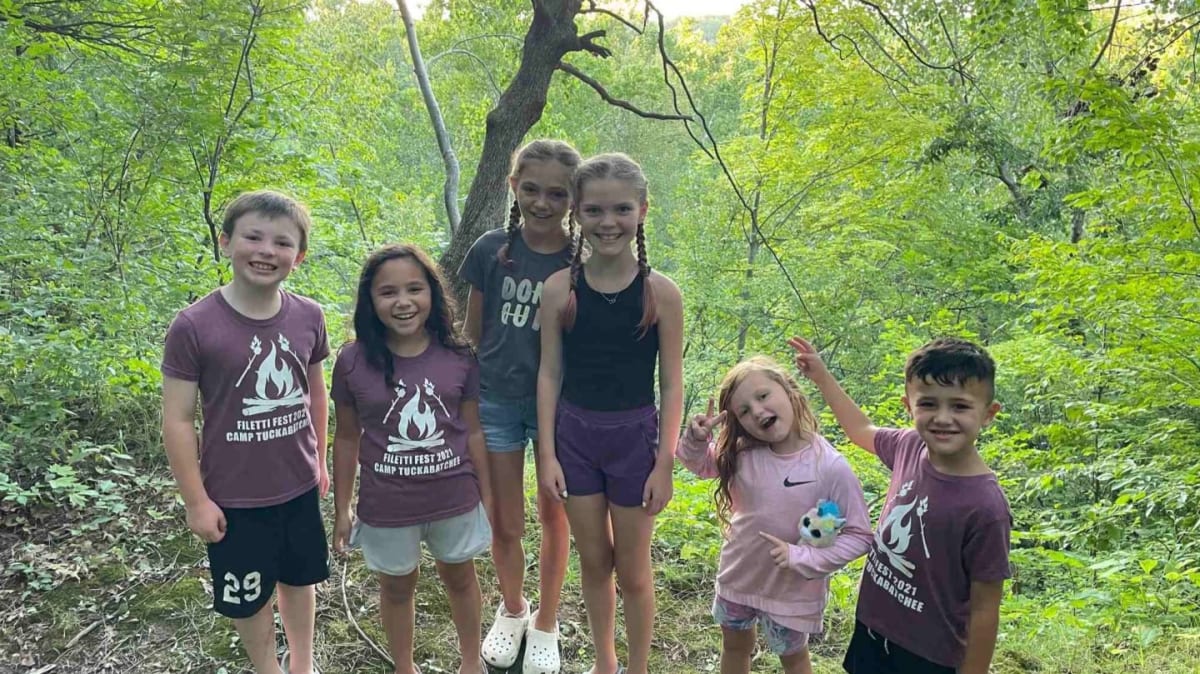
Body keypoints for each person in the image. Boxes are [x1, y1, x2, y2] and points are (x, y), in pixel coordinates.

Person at [161, 190, 329, 674]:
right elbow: (177, 419)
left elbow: (315, 393)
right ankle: (268, 668)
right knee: (249, 595)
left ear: (299, 256)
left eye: (282, 242)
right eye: (253, 237)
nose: (266, 251)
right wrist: (196, 501)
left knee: (299, 580)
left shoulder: (308, 316)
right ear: (226, 241)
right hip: (234, 497)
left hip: (298, 486)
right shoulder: (193, 326)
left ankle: (302, 664)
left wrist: (319, 461)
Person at [537, 152, 684, 674]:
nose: (608, 222)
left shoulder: (660, 293)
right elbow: (549, 374)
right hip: (575, 438)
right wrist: (547, 455)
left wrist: (665, 462)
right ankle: (606, 662)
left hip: (634, 442)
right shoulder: (560, 289)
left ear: (642, 210)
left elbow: (671, 382)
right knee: (595, 562)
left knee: (634, 570)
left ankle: (637, 667)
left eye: (621, 209)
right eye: (594, 210)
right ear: (576, 213)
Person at [791, 336, 1011, 674]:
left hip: (928, 654)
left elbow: (985, 608)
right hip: (872, 626)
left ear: (988, 414)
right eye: (928, 404)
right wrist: (822, 376)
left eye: (960, 406)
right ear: (909, 406)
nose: (943, 418)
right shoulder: (909, 446)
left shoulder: (985, 507)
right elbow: (860, 429)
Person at [331, 244, 493, 674]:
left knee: (460, 578)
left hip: (454, 497)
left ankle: (471, 662)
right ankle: (404, 665)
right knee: (397, 588)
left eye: (414, 289)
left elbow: (473, 430)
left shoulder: (459, 356)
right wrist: (343, 508)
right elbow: (346, 438)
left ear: (433, 294)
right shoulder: (352, 362)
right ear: (370, 300)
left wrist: (488, 495)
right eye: (388, 292)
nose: (403, 302)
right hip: (388, 505)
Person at [457, 139, 581, 674]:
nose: (542, 202)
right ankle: (513, 608)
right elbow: (472, 331)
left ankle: (546, 622)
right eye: (531, 189)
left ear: (573, 199)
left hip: (560, 407)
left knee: (554, 515)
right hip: (495, 400)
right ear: (513, 187)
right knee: (504, 519)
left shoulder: (582, 259)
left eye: (557, 193)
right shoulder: (490, 250)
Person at [677, 356, 872, 674]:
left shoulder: (830, 466)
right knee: (734, 647)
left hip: (791, 593)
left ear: (789, 390)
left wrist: (802, 556)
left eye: (763, 395)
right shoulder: (742, 452)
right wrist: (696, 441)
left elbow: (859, 536)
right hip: (738, 580)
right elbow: (700, 464)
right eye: (744, 411)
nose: (756, 411)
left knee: (793, 660)